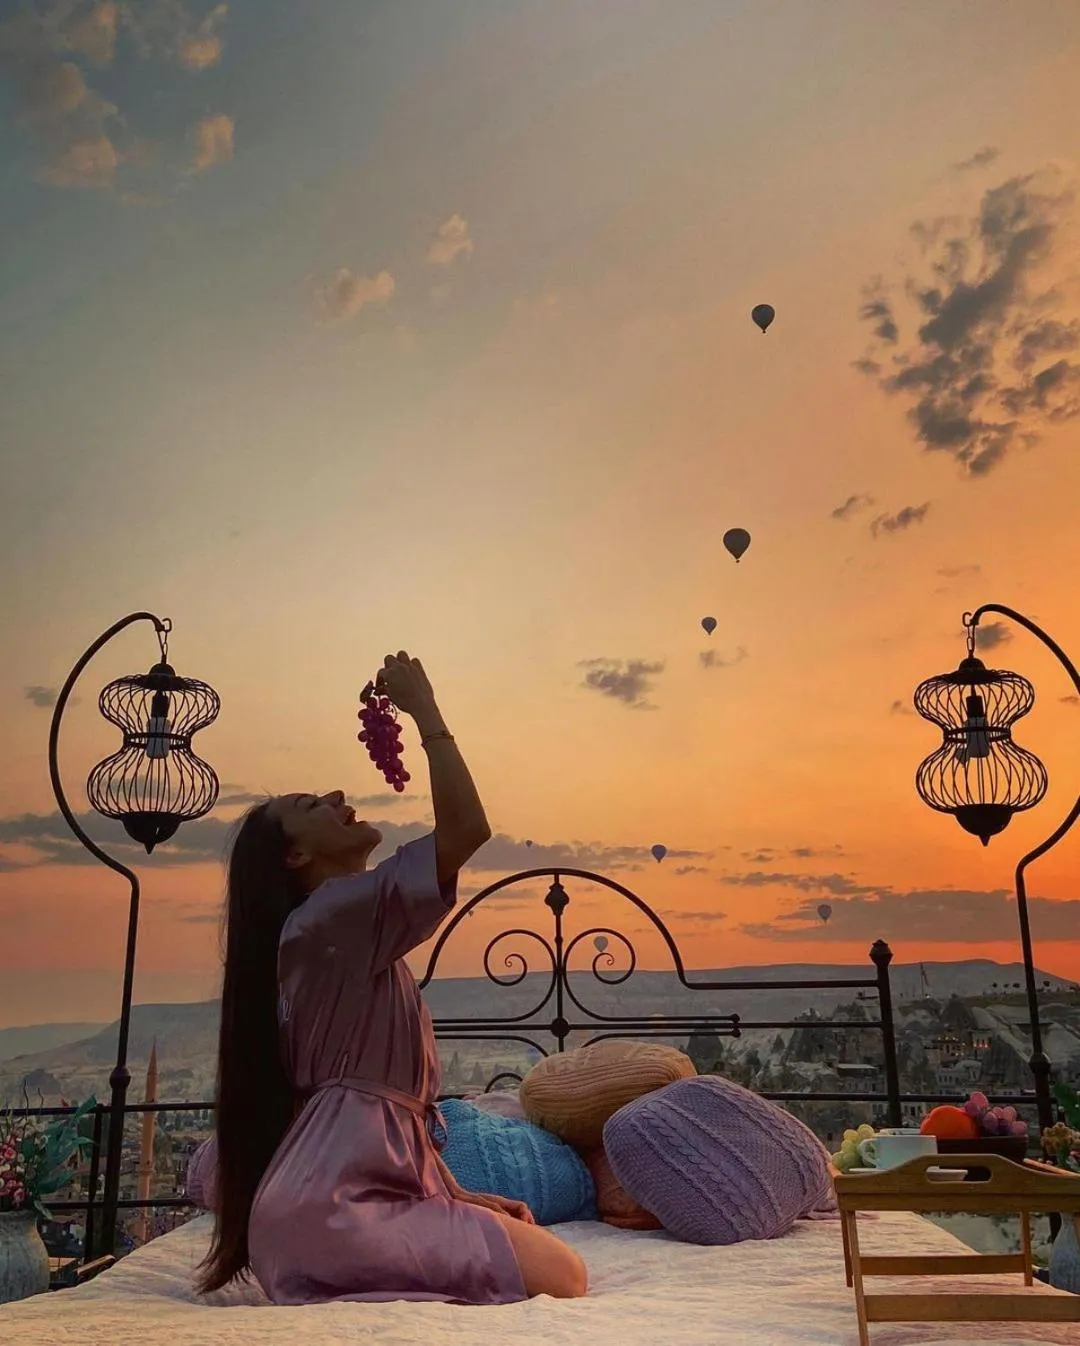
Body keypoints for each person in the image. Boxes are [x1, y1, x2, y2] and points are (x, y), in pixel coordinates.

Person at [195, 651, 588, 1305]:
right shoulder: (326, 919)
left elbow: (378, 1123)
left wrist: (457, 1196)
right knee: (564, 1276)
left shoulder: (329, 939)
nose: (339, 798)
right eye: (313, 804)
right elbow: (467, 829)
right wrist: (425, 710)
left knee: (529, 1246)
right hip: (337, 1207)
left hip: (322, 1206)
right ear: (295, 854)